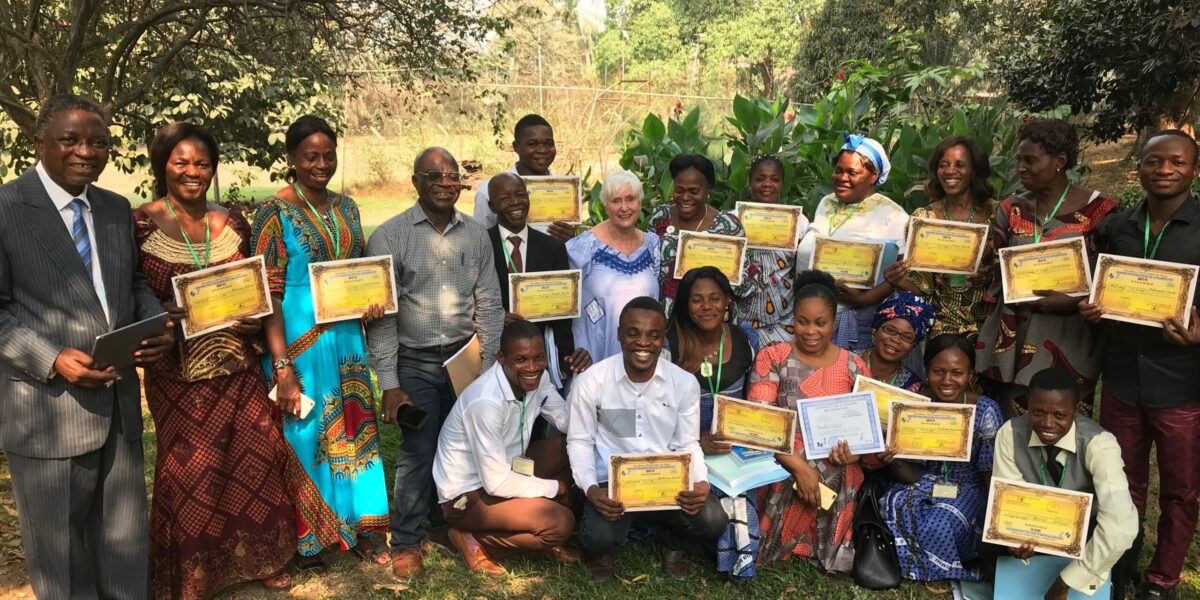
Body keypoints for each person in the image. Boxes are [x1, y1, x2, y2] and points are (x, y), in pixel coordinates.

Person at [0, 94, 174, 599]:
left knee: (123, 547)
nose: (86, 152)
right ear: (39, 144)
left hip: (117, 406)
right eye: (71, 140)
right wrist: (51, 357)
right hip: (46, 410)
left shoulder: (115, 209)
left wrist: (152, 325)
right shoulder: (8, 208)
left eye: (98, 142)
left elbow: (133, 284)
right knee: (63, 557)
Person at [135, 123, 294, 597]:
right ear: (162, 165)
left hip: (238, 365)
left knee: (255, 458)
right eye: (180, 162)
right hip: (176, 374)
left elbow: (260, 291)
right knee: (191, 471)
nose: (192, 172)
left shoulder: (234, 223)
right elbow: (130, 291)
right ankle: (194, 572)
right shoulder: (138, 224)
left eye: (202, 164)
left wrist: (255, 321)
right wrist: (156, 315)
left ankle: (262, 557)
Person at [250, 115, 390, 575]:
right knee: (306, 434)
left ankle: (362, 528)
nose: (321, 164)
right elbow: (267, 292)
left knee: (355, 429)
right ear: (292, 158)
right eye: (311, 156)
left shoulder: (348, 208)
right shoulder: (273, 212)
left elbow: (361, 270)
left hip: (347, 337)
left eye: (328, 155)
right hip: (298, 344)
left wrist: (371, 303)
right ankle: (310, 541)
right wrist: (281, 364)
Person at [365, 146, 505, 578]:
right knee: (419, 447)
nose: (446, 183)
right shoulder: (389, 237)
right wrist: (389, 381)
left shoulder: (476, 234)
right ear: (415, 182)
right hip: (416, 360)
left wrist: (486, 370)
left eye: (452, 176)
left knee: (460, 445)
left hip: (466, 357)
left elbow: (490, 304)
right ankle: (407, 538)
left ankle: (449, 524)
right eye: (434, 176)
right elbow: (384, 318)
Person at [1082, 130, 1200, 600]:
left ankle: (1162, 579)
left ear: (1194, 169)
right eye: (1155, 161)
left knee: (1180, 488)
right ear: (1141, 167)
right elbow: (1097, 283)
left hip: (1182, 380)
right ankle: (1119, 561)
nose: (1165, 170)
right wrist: (1092, 307)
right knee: (1120, 481)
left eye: (1177, 162)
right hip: (1123, 376)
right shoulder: (1120, 226)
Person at [567, 297, 729, 582]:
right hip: (613, 486)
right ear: (619, 333)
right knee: (595, 537)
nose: (643, 343)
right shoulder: (591, 382)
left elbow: (688, 443)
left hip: (667, 482)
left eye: (653, 335)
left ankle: (672, 540)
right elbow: (579, 440)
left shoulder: (683, 383)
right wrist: (592, 490)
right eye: (633, 333)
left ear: (663, 337)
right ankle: (605, 550)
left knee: (713, 519)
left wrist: (701, 483)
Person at [976, 119, 1119, 416]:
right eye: (1019, 160)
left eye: (1031, 160)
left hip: (1070, 338)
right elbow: (994, 269)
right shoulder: (1011, 209)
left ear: (1060, 161)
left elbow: (1112, 277)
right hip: (1016, 336)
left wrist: (1075, 300)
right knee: (1016, 429)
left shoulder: (1100, 211)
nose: (1020, 168)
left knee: (1062, 428)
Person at [433, 320, 581, 575]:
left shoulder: (539, 378)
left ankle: (530, 527)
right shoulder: (486, 402)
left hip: (507, 469)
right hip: (467, 495)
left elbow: (568, 423)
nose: (532, 367)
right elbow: (496, 483)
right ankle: (473, 538)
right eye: (521, 360)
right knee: (560, 523)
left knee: (569, 447)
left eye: (538, 358)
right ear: (501, 358)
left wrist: (581, 376)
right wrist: (556, 488)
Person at [746, 270, 871, 572]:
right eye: (803, 321)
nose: (810, 331)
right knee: (788, 469)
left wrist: (855, 451)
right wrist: (800, 467)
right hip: (783, 452)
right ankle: (777, 542)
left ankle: (826, 548)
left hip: (834, 455)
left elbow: (866, 430)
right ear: (793, 319)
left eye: (820, 323)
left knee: (846, 471)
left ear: (834, 323)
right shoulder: (772, 356)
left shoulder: (854, 366)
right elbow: (760, 424)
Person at [989, 368, 1138, 599]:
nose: (1047, 423)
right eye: (1037, 412)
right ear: (1027, 406)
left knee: (1124, 536)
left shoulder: (1100, 444)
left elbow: (1120, 525)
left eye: (1059, 415)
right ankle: (1013, 587)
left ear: (1076, 411)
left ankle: (1106, 591)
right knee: (988, 537)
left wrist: (1065, 582)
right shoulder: (1009, 433)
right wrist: (1013, 540)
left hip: (1087, 525)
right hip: (1032, 522)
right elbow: (1009, 498)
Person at [877, 334, 1003, 586]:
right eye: (938, 371)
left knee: (941, 521)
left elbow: (991, 476)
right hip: (920, 480)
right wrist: (891, 458)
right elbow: (910, 475)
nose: (947, 380)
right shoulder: (912, 406)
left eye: (957, 373)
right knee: (895, 506)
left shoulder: (986, 410)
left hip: (969, 486)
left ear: (970, 375)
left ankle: (944, 568)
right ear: (926, 371)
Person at [667, 266, 761, 580]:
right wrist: (695, 439)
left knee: (740, 498)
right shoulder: (670, 344)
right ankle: (675, 541)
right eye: (697, 300)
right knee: (700, 507)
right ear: (684, 304)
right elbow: (654, 413)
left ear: (727, 302)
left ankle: (738, 560)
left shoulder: (744, 338)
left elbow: (754, 400)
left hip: (729, 445)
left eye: (714, 298)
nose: (707, 306)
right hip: (679, 444)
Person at [796, 134, 910, 352]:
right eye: (838, 170)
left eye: (852, 172)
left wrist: (863, 299)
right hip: (811, 313)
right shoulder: (827, 202)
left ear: (873, 176)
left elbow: (898, 274)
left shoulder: (892, 215)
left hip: (853, 316)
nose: (842, 177)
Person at [885, 136, 997, 341]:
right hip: (938, 327)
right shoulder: (924, 218)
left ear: (975, 170)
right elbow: (922, 287)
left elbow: (1010, 272)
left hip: (989, 326)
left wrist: (992, 277)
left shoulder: (998, 214)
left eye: (959, 165)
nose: (950, 171)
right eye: (943, 165)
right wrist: (897, 279)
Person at [486, 173, 591, 389]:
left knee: (539, 414)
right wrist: (496, 316)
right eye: (505, 198)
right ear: (492, 206)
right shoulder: (481, 244)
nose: (515, 202)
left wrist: (565, 355)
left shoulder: (551, 247)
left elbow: (562, 312)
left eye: (520, 195)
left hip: (537, 354)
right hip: (493, 350)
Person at [567, 170, 660, 362]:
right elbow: (566, 302)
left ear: (640, 202)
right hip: (595, 357)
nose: (624, 207)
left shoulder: (652, 245)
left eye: (630, 199)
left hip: (643, 354)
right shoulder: (583, 247)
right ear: (605, 206)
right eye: (616, 200)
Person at [647, 153, 751, 318]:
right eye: (679, 190)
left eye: (694, 191)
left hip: (711, 321)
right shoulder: (660, 218)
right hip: (667, 320)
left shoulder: (729, 226)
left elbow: (743, 282)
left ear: (708, 188)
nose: (685, 197)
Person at [736, 155, 811, 346]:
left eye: (774, 179)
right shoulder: (733, 219)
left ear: (782, 183)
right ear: (750, 182)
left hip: (783, 321)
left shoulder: (798, 222)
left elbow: (803, 266)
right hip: (740, 318)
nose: (767, 184)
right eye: (760, 179)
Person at [473, 114, 575, 242]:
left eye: (549, 143)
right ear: (516, 147)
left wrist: (572, 238)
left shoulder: (565, 190)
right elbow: (481, 240)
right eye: (532, 144)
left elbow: (571, 243)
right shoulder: (489, 190)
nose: (542, 150)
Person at [859, 292, 935, 393]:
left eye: (907, 337)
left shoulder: (915, 388)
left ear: (913, 346)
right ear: (875, 330)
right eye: (890, 330)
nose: (896, 340)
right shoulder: (844, 362)